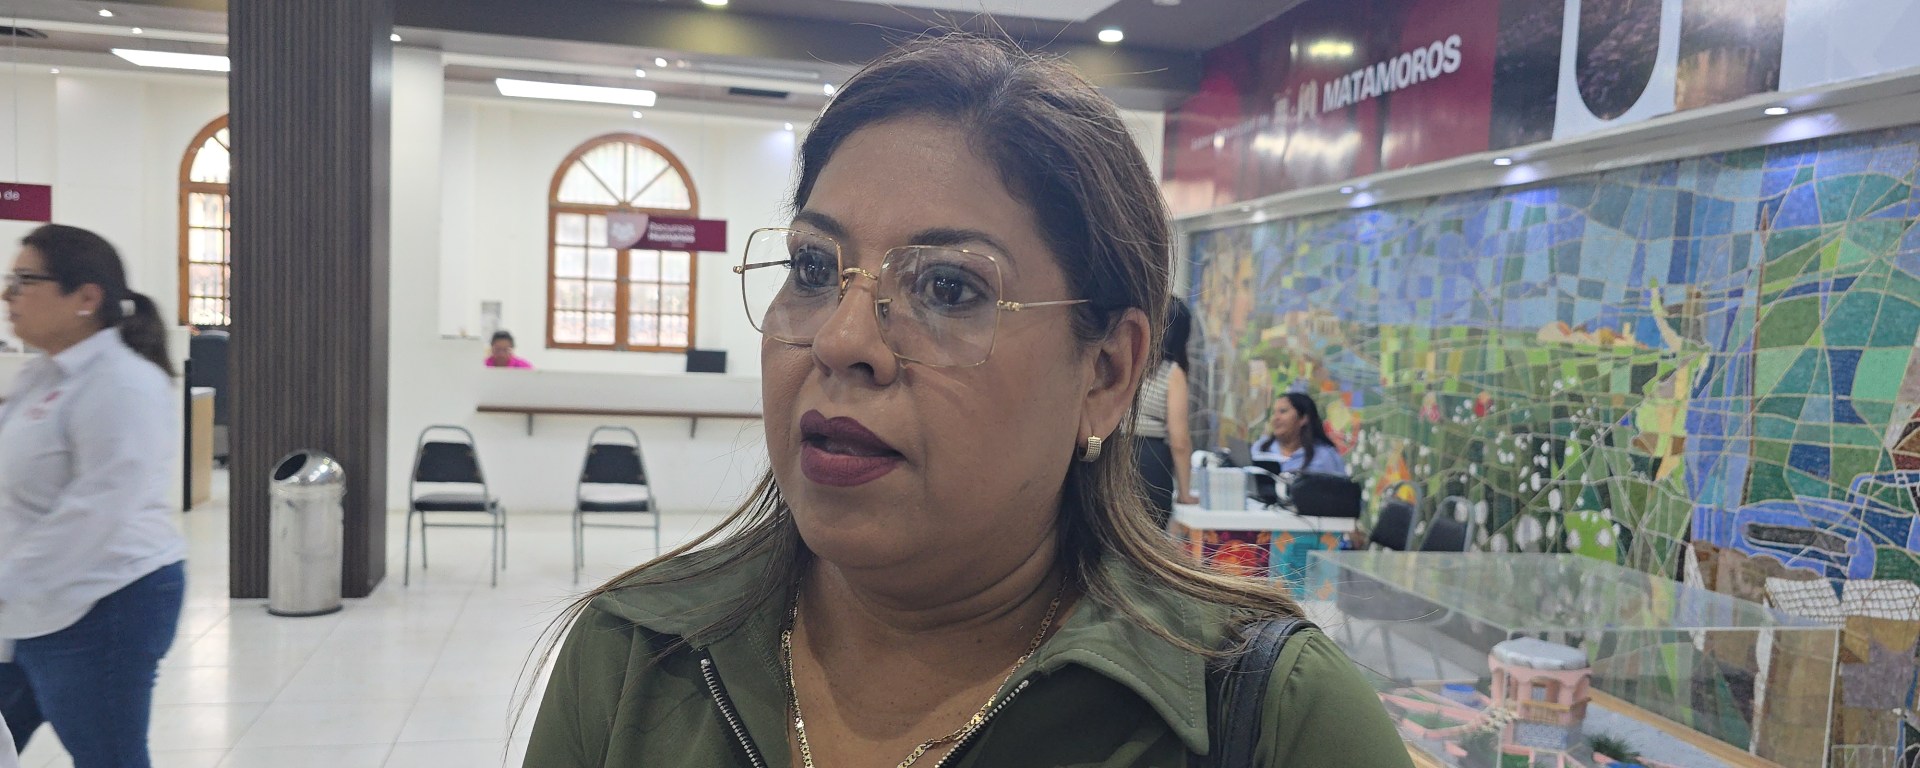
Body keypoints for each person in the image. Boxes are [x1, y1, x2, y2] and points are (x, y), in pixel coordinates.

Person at [525, 34, 1409, 768]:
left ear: (1106, 375)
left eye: (948, 288)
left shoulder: (1271, 720)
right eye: (813, 267)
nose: (840, 340)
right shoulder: (633, 659)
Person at [0, 224, 187, 768]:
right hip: (32, 607)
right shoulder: (41, 377)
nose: (9, 294)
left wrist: (6, 581)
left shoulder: (122, 383)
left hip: (104, 606)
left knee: (109, 758)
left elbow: (96, 511)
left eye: (25, 280)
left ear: (86, 297)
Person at [1132, 298, 1198, 529]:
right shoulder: (1171, 373)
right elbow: (1179, 441)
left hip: (1110, 453)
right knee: (1144, 543)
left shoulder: (1126, 363)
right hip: (1149, 463)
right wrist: (1185, 493)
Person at [1251, 392, 1348, 477]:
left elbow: (1340, 490)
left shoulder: (1325, 456)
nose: (1276, 418)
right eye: (1273, 412)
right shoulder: (1260, 447)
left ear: (1303, 418)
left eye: (1283, 411)